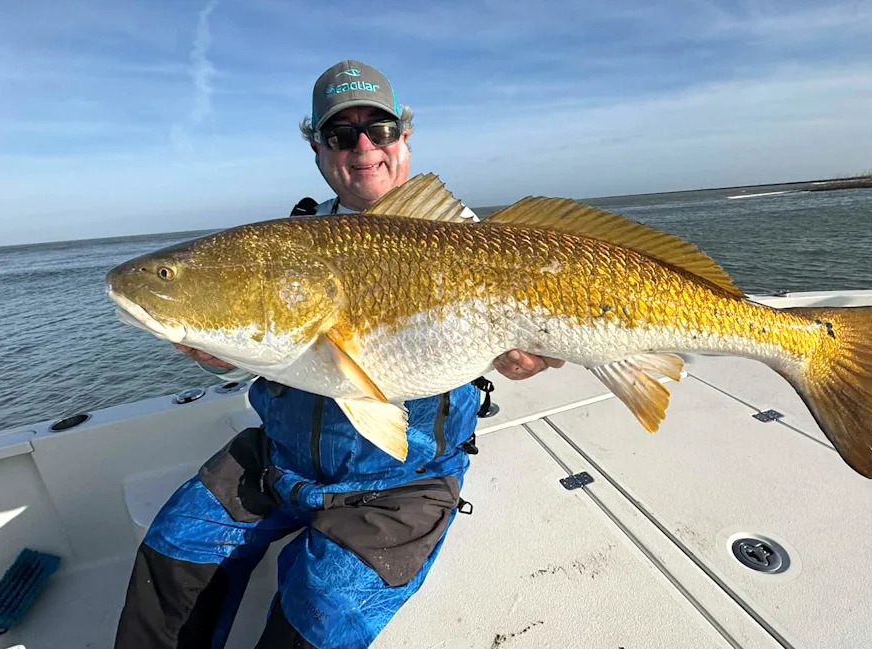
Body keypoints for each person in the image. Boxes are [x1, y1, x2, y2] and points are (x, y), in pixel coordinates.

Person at [114, 60, 564, 649]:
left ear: (403, 137)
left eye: (377, 129)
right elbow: (272, 337)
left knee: (318, 613)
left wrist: (536, 355)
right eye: (338, 133)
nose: (361, 147)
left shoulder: (479, 244)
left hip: (406, 479)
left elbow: (553, 325)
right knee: (170, 554)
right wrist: (223, 351)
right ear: (318, 149)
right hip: (278, 459)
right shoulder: (293, 241)